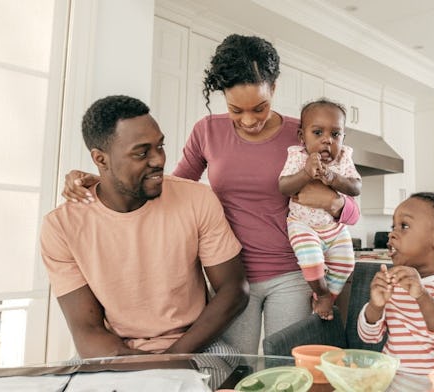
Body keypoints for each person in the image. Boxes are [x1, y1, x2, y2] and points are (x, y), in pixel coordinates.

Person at [60, 34, 360, 355]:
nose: (249, 121)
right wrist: (105, 179)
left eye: (260, 108)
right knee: (234, 369)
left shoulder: (302, 132)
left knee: (285, 367)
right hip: (229, 280)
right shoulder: (207, 131)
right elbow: (168, 188)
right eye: (235, 110)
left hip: (292, 271)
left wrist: (336, 202)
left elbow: (349, 207)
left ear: (274, 87)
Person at [41, 95, 249, 358]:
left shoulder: (198, 199)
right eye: (141, 152)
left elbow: (234, 290)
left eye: (160, 146)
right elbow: (87, 331)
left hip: (196, 345)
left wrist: (170, 360)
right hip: (116, 351)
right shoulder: (61, 227)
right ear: (100, 159)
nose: (158, 160)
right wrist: (146, 372)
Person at [357, 192, 434, 375]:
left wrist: (422, 296)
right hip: (391, 379)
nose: (391, 234)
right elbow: (369, 337)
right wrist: (376, 305)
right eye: (393, 226)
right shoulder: (392, 282)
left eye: (404, 226)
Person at [278, 99, 361, 320]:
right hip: (302, 225)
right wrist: (306, 173)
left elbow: (356, 187)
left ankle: (328, 298)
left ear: (343, 137)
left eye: (336, 135)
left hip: (335, 228)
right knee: (311, 261)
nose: (327, 140)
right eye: (317, 132)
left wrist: (333, 177)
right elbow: (284, 186)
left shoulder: (343, 159)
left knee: (346, 264)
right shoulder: (298, 156)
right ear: (302, 136)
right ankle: (321, 293)